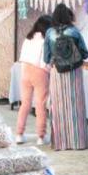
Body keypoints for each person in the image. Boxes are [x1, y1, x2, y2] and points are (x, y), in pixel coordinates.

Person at [43, 4, 88, 150]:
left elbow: (46, 57)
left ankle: (59, 143)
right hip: (74, 72)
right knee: (76, 107)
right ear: (69, 17)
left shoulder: (49, 32)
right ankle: (78, 142)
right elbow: (84, 52)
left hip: (57, 72)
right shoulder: (74, 31)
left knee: (58, 107)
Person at [16, 15, 52, 145]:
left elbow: (22, 56)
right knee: (40, 105)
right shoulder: (46, 40)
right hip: (40, 72)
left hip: (25, 70)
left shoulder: (28, 38)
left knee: (25, 104)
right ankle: (41, 136)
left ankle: (19, 134)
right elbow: (46, 61)